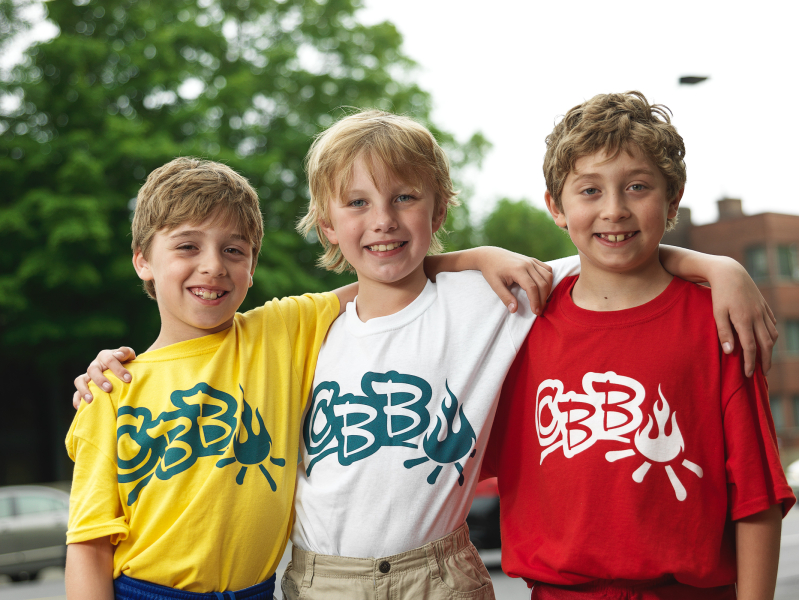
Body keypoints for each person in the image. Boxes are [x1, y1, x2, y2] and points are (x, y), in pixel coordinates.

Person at [75, 110, 778, 600]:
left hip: (438, 576)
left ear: (436, 210)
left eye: (404, 198)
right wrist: (115, 369)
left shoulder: (489, 301)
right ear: (327, 225)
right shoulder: (300, 328)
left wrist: (718, 269)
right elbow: (204, 339)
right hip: (323, 580)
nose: (381, 219)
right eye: (356, 204)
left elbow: (609, 256)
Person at [482, 91, 796, 600]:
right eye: (589, 190)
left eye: (637, 187)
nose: (614, 210)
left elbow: (756, 499)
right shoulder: (517, 322)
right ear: (556, 206)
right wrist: (479, 254)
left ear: (672, 200)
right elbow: (403, 275)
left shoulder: (716, 321)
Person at [65, 157, 352, 599]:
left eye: (234, 250)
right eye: (187, 247)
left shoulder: (280, 331)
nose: (214, 265)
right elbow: (89, 543)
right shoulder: (111, 389)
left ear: (252, 267)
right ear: (143, 261)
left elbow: (384, 280)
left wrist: (475, 259)